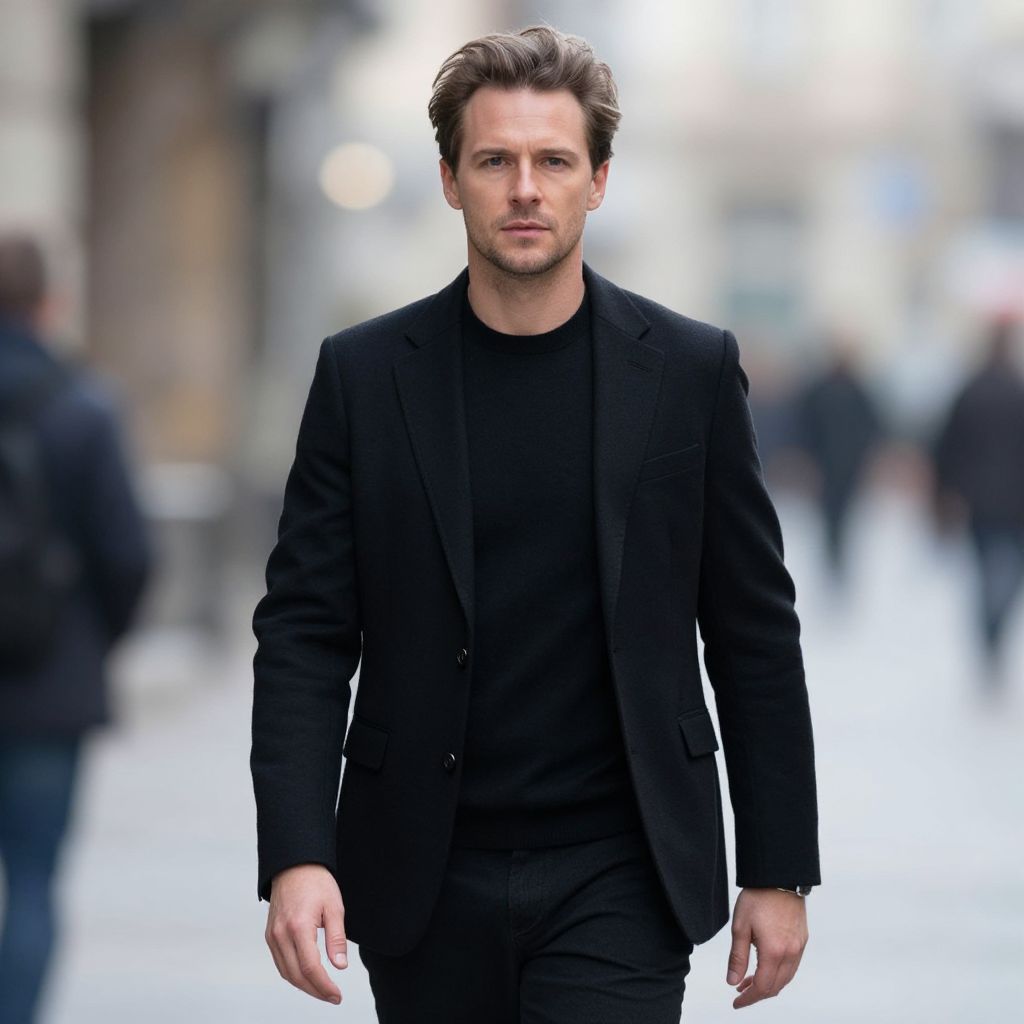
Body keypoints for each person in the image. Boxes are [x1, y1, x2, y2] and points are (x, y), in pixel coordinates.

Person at [251, 25, 820, 1022]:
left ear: (596, 181)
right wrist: (297, 852)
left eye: (553, 161)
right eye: (495, 161)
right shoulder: (365, 377)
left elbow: (753, 633)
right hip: (419, 870)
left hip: (622, 868)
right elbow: (302, 634)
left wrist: (780, 867)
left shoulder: (686, 373)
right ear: (449, 179)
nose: (524, 188)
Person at [0, 231, 152, 1023]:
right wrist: (92, 640)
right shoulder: (83, 407)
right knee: (31, 879)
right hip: (47, 688)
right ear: (47, 302)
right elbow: (127, 554)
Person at [932, 315, 1024, 688]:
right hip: (1015, 503)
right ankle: (994, 634)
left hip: (978, 502)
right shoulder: (1018, 391)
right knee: (1008, 576)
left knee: (986, 573)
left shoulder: (968, 390)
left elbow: (946, 448)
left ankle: (988, 637)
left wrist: (944, 495)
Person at [795, 334, 885, 586]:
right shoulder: (826, 389)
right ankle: (834, 563)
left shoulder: (852, 389)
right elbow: (805, 427)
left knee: (840, 517)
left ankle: (837, 562)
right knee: (832, 518)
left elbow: (873, 428)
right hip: (830, 466)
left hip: (845, 466)